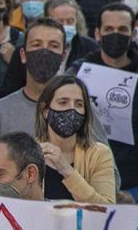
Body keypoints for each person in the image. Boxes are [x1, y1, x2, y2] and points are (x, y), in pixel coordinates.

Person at [84, 3, 138, 203]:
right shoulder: (79, 72)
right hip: (87, 179)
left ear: (133, 34)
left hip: (133, 182)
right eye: (108, 29)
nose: (116, 35)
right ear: (97, 33)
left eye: (122, 29)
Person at [0, 18, 70, 148]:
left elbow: (102, 160)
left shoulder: (80, 109)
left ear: (63, 56)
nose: (44, 52)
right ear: (23, 54)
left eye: (53, 46)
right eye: (36, 44)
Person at [33, 75, 119, 204]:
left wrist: (67, 170)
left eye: (79, 104)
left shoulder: (99, 154)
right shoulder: (28, 152)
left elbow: (106, 208)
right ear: (45, 110)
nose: (72, 109)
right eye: (63, 102)